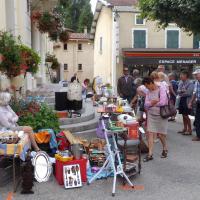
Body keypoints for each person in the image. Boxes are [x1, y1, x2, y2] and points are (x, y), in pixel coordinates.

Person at [142, 77, 169, 162]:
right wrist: (153, 102)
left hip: (161, 115)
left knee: (160, 135)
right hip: (151, 115)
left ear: (151, 83)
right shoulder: (148, 92)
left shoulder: (161, 88)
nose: (147, 88)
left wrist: (151, 104)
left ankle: (165, 148)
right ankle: (150, 154)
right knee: (150, 133)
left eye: (147, 86)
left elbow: (163, 102)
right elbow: (145, 105)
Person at [177, 71, 194, 135]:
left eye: (182, 75)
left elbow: (189, 93)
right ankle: (185, 129)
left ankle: (189, 130)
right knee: (183, 115)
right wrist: (182, 91)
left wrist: (181, 92)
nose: (180, 76)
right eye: (180, 75)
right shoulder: (181, 82)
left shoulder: (190, 83)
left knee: (186, 115)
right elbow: (178, 91)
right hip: (181, 100)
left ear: (186, 75)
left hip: (187, 100)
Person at [188, 68, 200, 141]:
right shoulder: (196, 82)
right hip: (198, 102)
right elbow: (194, 93)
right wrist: (190, 102)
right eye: (195, 75)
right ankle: (198, 136)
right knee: (198, 119)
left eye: (197, 75)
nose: (195, 76)